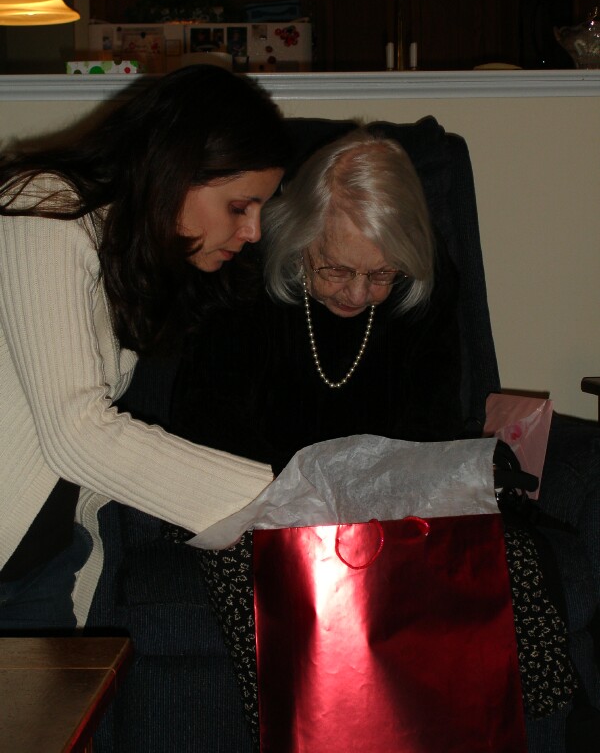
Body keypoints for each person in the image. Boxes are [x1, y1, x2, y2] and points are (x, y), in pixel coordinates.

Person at [164, 127, 465, 745]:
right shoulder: (243, 275)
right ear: (300, 239)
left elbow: (431, 424)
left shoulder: (425, 287)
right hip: (258, 498)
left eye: (380, 274)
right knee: (293, 589)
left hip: (381, 497)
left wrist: (379, 503)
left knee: (483, 558)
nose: (358, 293)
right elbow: (206, 423)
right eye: (336, 269)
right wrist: (309, 502)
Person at [0, 64, 291, 631]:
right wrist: (285, 498)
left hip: (43, 567)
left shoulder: (123, 248)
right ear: (176, 173)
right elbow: (78, 432)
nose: (254, 231)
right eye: (239, 206)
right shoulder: (42, 208)